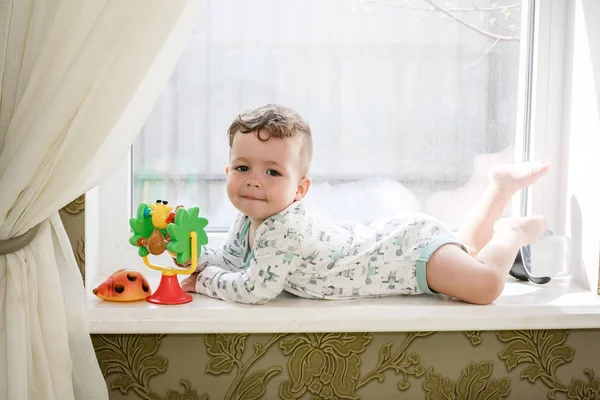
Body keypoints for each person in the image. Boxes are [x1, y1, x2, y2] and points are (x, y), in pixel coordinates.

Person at [180, 104, 550, 305]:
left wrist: (204, 281)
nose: (254, 180)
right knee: (467, 251)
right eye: (243, 168)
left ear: (300, 189)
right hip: (396, 243)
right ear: (228, 169)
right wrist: (191, 257)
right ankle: (499, 189)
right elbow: (231, 260)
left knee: (485, 286)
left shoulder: (283, 230)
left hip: (408, 255)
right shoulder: (249, 216)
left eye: (273, 172)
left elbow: (252, 289)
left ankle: (510, 232)